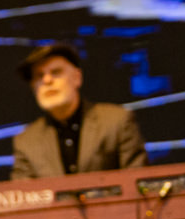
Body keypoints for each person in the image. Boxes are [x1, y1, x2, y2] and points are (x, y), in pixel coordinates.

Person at [10, 42, 147, 180]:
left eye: (56, 72)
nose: (47, 80)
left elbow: (139, 185)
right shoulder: (26, 141)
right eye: (39, 76)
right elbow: (22, 197)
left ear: (77, 77)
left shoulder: (117, 121)